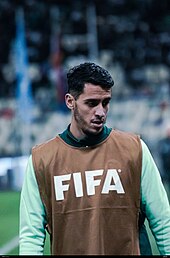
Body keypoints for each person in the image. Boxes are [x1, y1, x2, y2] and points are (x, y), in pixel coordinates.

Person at [19, 62, 170, 255]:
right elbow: (31, 237)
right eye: (91, 103)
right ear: (70, 101)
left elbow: (163, 220)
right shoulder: (42, 160)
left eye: (105, 102)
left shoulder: (134, 150)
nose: (100, 112)